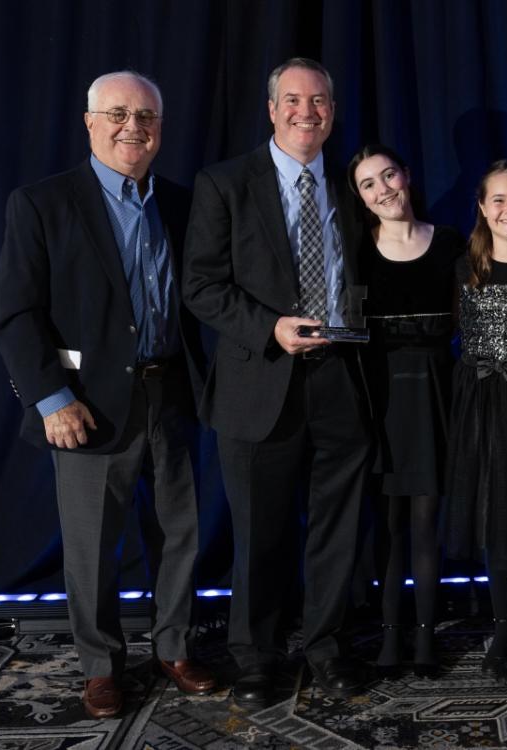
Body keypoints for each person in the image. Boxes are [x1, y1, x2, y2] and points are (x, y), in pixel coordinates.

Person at [0, 71, 216, 719]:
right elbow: (16, 316)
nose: (133, 126)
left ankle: (173, 646)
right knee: (92, 547)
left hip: (172, 390)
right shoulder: (42, 204)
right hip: (85, 402)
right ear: (89, 123)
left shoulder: (182, 201)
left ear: (161, 128)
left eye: (146, 116)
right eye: (117, 113)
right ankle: (101, 666)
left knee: (182, 533)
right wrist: (51, 398)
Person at [182, 58, 370, 705]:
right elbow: (201, 286)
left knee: (336, 531)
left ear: (332, 111)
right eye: (293, 100)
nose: (306, 113)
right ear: (271, 109)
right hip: (260, 384)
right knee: (260, 535)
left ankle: (326, 649)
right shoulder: (225, 183)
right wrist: (270, 328)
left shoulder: (352, 185)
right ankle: (256, 658)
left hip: (342, 382)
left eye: (319, 101)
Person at [348, 144, 463, 677]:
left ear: (407, 176)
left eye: (388, 175)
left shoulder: (451, 245)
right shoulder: (356, 252)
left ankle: (424, 639)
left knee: (426, 521)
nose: (383, 189)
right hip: (382, 401)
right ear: (362, 199)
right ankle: (390, 638)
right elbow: (349, 332)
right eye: (369, 184)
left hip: (436, 397)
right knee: (389, 523)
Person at [442, 160, 507, 686]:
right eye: (499, 201)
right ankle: (501, 626)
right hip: (480, 404)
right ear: (482, 207)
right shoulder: (465, 267)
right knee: (494, 523)